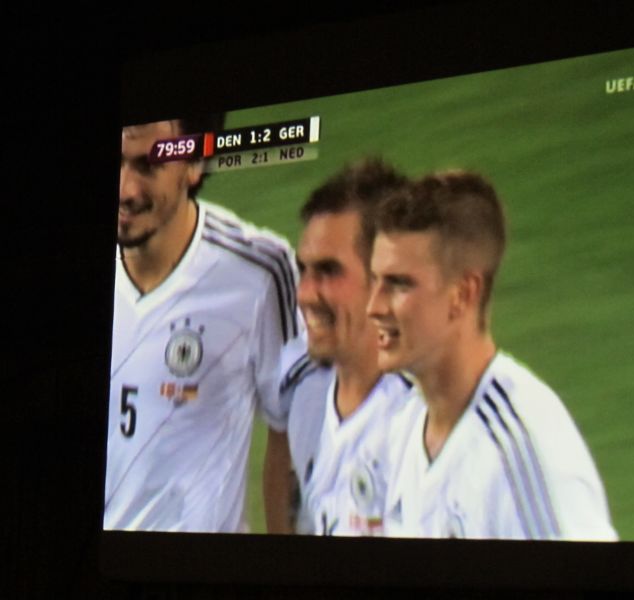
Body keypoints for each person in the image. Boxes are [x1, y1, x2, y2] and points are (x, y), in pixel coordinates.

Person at [368, 171, 617, 540]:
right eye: (374, 280)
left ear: (463, 295)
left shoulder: (520, 453)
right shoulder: (403, 425)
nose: (373, 307)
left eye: (399, 284)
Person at [105, 117, 302, 532]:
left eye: (148, 165)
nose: (126, 190)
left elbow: (292, 428)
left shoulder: (256, 271)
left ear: (194, 165)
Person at [285, 158, 413, 535]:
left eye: (328, 271)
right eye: (303, 270)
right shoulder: (306, 400)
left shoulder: (426, 424)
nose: (304, 295)